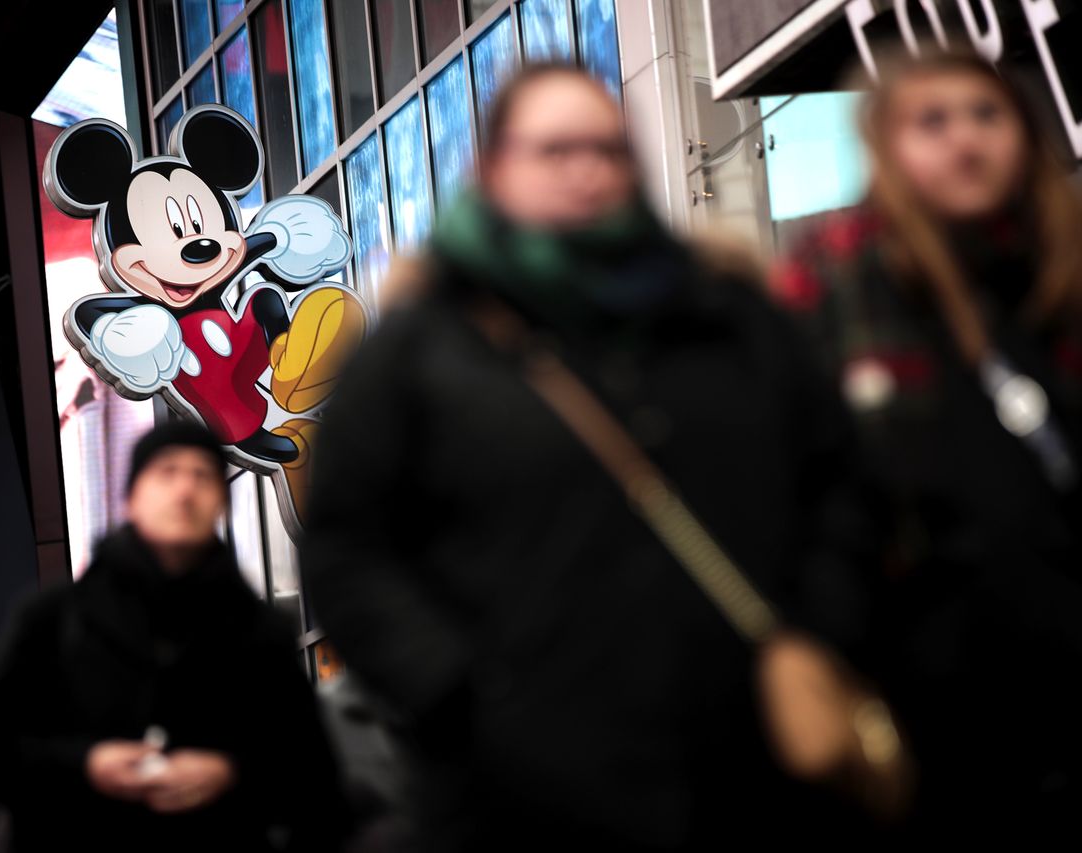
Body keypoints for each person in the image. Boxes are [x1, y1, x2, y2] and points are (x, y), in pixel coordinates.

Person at [301, 64, 883, 851]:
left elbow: (836, 484)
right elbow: (348, 549)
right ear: (495, 167)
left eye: (609, 149)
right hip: (522, 797)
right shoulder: (419, 350)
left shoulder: (728, 313)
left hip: (749, 767)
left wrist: (818, 627)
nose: (588, 170)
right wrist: (460, 698)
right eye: (556, 149)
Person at [772, 50, 1082, 843]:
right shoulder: (837, 275)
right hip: (927, 689)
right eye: (931, 122)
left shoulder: (1062, 267)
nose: (965, 142)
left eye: (986, 114)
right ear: (886, 144)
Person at [0, 421, 349, 851]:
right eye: (167, 472)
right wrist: (87, 765)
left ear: (220, 503)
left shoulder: (259, 633)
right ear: (132, 499)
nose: (185, 490)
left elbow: (315, 777)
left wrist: (230, 772)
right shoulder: (52, 619)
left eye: (202, 476)